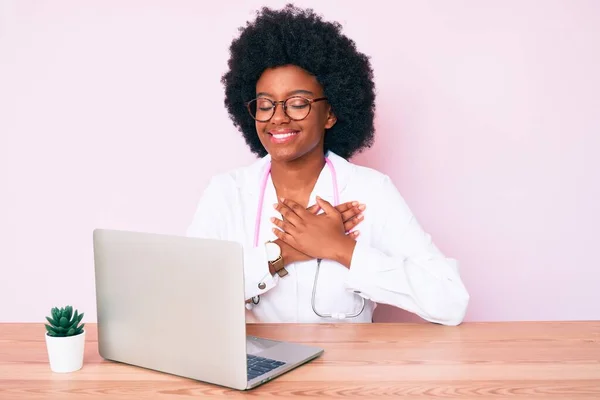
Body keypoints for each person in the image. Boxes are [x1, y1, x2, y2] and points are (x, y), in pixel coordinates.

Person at [187, 4, 469, 325]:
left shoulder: (370, 191)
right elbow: (188, 295)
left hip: (346, 372)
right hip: (257, 369)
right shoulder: (228, 192)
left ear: (331, 114)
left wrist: (340, 248)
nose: (278, 117)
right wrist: (282, 252)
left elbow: (451, 300)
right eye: (265, 104)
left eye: (297, 103)